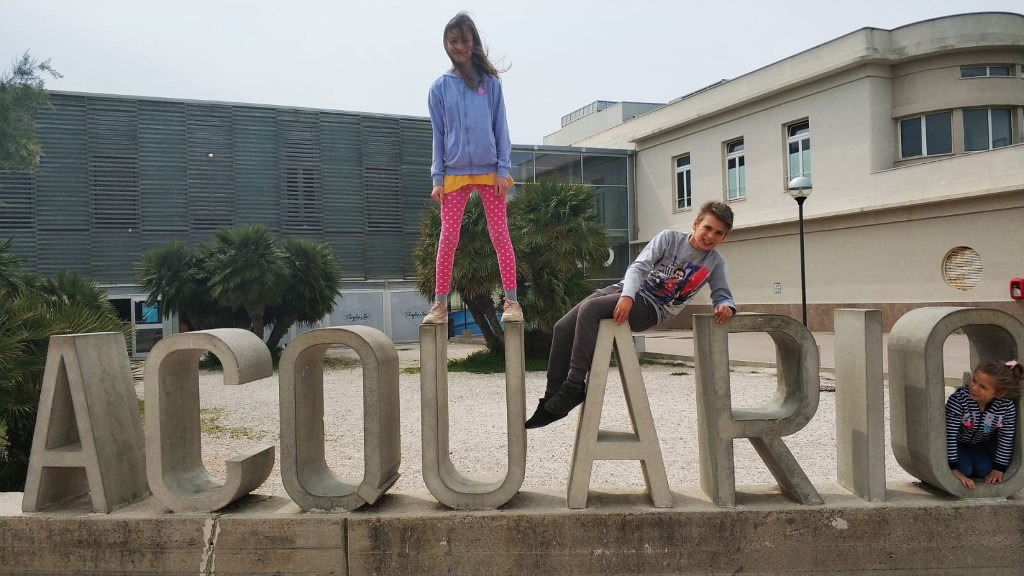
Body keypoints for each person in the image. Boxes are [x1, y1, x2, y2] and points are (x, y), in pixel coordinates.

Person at [526, 200, 737, 429]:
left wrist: (725, 306)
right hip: (627, 290)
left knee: (590, 310)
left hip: (654, 308)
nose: (711, 236)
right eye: (708, 228)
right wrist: (628, 295)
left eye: (719, 233)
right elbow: (639, 266)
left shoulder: (715, 263)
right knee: (562, 327)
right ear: (696, 224)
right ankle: (551, 399)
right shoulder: (669, 239)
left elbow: (723, 295)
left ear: (723, 238)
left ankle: (574, 384)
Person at [422, 12, 521, 325]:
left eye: (464, 40)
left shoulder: (490, 84)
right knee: (448, 238)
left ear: (473, 41)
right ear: (446, 44)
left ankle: (512, 301)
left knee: (500, 234)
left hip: (490, 171)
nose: (459, 46)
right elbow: (439, 135)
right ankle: (440, 305)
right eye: (453, 41)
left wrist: (503, 170)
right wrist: (437, 178)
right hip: (454, 173)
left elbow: (501, 128)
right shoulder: (439, 88)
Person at [945, 359, 1022, 489]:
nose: (974, 388)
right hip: (956, 442)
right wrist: (953, 468)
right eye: (974, 381)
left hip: (977, 443)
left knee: (984, 470)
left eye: (983, 387)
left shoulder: (1006, 406)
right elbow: (949, 435)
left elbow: (1006, 437)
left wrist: (999, 468)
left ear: (999, 393)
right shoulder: (959, 400)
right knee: (965, 470)